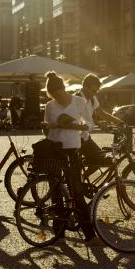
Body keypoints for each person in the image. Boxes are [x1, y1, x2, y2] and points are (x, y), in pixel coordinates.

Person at [43, 71, 103, 246]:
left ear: (64, 88)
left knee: (76, 191)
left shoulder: (78, 102)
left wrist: (81, 128)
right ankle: (59, 234)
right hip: (54, 150)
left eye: (59, 94)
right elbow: (46, 129)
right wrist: (51, 125)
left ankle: (90, 236)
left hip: (72, 149)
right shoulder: (49, 106)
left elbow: (90, 124)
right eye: (54, 96)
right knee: (56, 192)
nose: (57, 98)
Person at [78, 73, 123, 172]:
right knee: (98, 158)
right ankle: (77, 180)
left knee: (99, 158)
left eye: (96, 91)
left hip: (85, 137)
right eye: (93, 90)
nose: (94, 93)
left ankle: (83, 179)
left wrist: (119, 122)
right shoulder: (76, 99)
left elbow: (101, 113)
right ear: (84, 86)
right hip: (75, 138)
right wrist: (97, 123)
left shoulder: (92, 99)